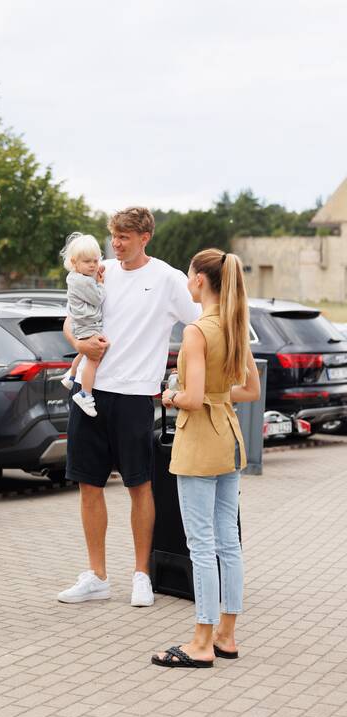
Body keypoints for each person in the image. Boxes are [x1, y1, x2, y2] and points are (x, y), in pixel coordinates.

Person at [58, 207, 201, 607]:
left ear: (145, 237)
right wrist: (79, 344)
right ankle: (96, 576)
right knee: (88, 485)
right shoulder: (98, 270)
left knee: (140, 486)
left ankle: (141, 575)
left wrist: (191, 374)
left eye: (124, 236)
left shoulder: (169, 279)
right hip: (90, 393)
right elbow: (70, 321)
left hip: (137, 396)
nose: (116, 244)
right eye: (114, 236)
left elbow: (201, 325)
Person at [151, 248, 261, 668]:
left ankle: (200, 642)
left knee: (200, 545)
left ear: (199, 280)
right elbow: (249, 390)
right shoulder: (234, 324)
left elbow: (192, 400)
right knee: (227, 542)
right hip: (229, 439)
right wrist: (213, 395)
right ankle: (226, 636)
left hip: (200, 442)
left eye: (189, 274)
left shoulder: (197, 331)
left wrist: (169, 395)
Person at [60, 232, 106, 417]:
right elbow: (97, 298)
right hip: (87, 324)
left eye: (95, 261)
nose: (93, 266)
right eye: (88, 262)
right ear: (74, 262)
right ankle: (85, 394)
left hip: (84, 324)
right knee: (94, 358)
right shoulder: (82, 281)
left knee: (84, 352)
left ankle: (71, 376)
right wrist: (101, 284)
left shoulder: (76, 277)